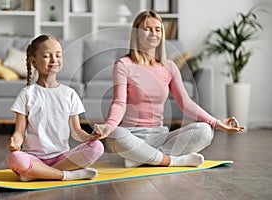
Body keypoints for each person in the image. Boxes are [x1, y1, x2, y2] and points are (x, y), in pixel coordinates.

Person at [93, 10, 245, 168]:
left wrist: (216, 122)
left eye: (157, 29)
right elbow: (119, 103)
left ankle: (142, 158)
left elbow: (186, 103)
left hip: (159, 135)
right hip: (131, 135)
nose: (153, 33)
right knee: (115, 135)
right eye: (147, 29)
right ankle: (170, 160)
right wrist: (109, 126)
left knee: (205, 131)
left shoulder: (169, 67)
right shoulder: (124, 64)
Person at [6, 34, 104, 182]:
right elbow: (19, 132)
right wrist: (15, 142)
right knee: (14, 158)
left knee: (97, 147)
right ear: (34, 61)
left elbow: (77, 132)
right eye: (47, 56)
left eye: (58, 55)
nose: (54, 60)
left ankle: (37, 173)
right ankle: (66, 175)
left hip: (62, 157)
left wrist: (90, 137)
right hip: (35, 157)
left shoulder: (69, 94)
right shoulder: (27, 94)